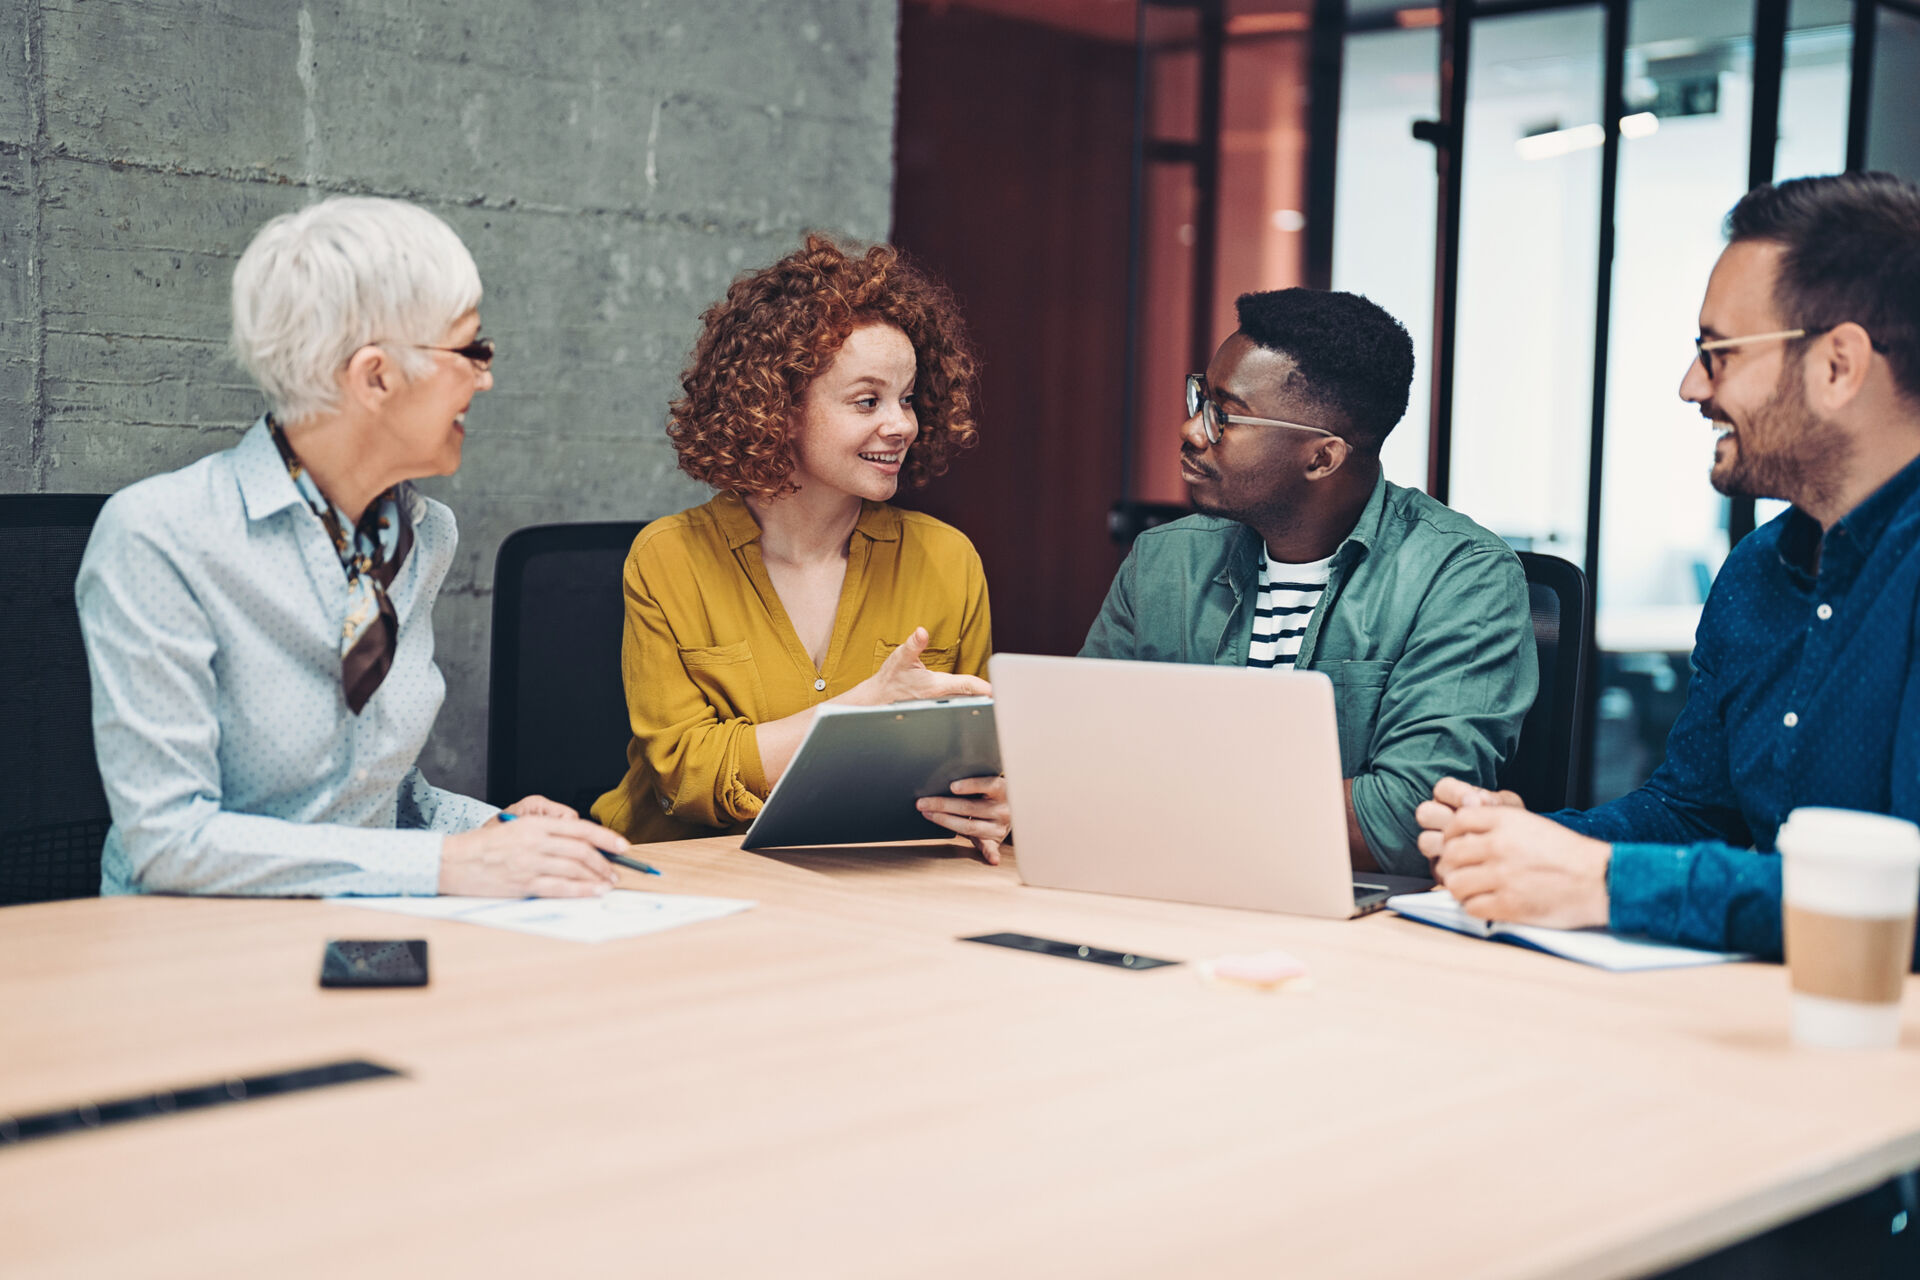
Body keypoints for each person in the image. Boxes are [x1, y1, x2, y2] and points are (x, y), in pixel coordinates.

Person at [1416, 171, 1920, 964]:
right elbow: (1693, 812)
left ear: (1838, 366)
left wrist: (1608, 881)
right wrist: (1526, 840)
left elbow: (1905, 900)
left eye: (1716, 354)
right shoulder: (1759, 569)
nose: (1691, 388)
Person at [78, 196, 631, 897]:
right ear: (376, 376)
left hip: (363, 932)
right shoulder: (161, 534)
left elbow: (370, 800)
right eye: (470, 349)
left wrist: (497, 829)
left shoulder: (421, 537)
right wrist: (449, 867)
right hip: (198, 956)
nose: (485, 376)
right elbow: (170, 842)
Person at [1080, 288, 1537, 876]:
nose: (1192, 430)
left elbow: (1408, 818)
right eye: (1201, 398)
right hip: (1163, 883)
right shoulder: (1164, 560)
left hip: (1353, 921)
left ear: (1322, 458)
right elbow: (1081, 758)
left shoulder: (1463, 578)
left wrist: (1158, 797)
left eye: (1225, 414)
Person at [589, 235, 1011, 861]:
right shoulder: (668, 559)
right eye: (867, 401)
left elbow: (966, 756)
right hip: (681, 881)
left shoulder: (948, 562)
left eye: (907, 399)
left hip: (877, 879)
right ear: (777, 408)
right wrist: (865, 708)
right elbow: (686, 774)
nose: (901, 425)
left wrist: (994, 800)